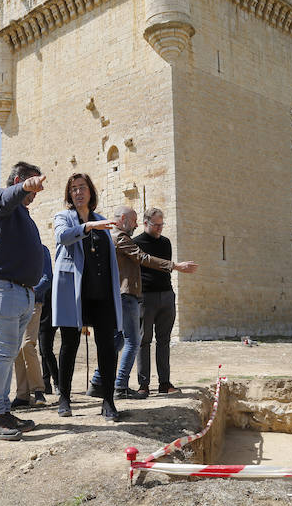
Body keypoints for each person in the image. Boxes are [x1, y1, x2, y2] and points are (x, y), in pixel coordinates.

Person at [87, 206, 198, 399]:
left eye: (162, 224)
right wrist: (175, 266)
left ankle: (98, 382)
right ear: (124, 219)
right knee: (134, 341)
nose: (136, 224)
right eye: (135, 220)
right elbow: (142, 258)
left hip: (136, 295)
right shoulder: (123, 239)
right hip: (132, 296)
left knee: (119, 340)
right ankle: (122, 385)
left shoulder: (112, 239)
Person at [0, 161, 46, 441]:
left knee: (8, 352)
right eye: (32, 185)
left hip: (17, 291)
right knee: (3, 351)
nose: (36, 191)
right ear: (18, 180)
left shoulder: (22, 214)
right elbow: (5, 197)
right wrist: (22, 187)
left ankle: (1, 410)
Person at [51, 173, 123, 421]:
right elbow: (62, 236)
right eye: (73, 189)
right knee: (69, 344)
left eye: (82, 188)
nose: (78, 192)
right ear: (69, 195)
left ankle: (108, 400)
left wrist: (95, 224)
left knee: (107, 345)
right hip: (73, 289)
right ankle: (64, 398)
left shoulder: (103, 220)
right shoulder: (63, 217)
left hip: (100, 291)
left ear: (90, 192)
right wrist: (88, 227)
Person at [133, 207, 198, 396]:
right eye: (156, 225)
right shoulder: (136, 243)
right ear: (146, 223)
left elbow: (164, 269)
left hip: (166, 295)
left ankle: (164, 382)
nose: (160, 228)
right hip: (145, 297)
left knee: (164, 340)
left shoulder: (166, 242)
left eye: (162, 224)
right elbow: (147, 263)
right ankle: (143, 385)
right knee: (144, 341)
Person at [12, 244, 52, 408]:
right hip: (13, 304)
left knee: (27, 345)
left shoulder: (41, 250)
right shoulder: (11, 249)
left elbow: (47, 277)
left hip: (33, 302)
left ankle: (38, 390)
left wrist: (30, 292)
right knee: (16, 349)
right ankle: (22, 394)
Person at [37, 247, 59, 395]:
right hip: (42, 314)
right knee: (43, 350)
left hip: (48, 315)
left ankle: (57, 382)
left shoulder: (46, 280)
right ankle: (46, 383)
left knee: (45, 349)